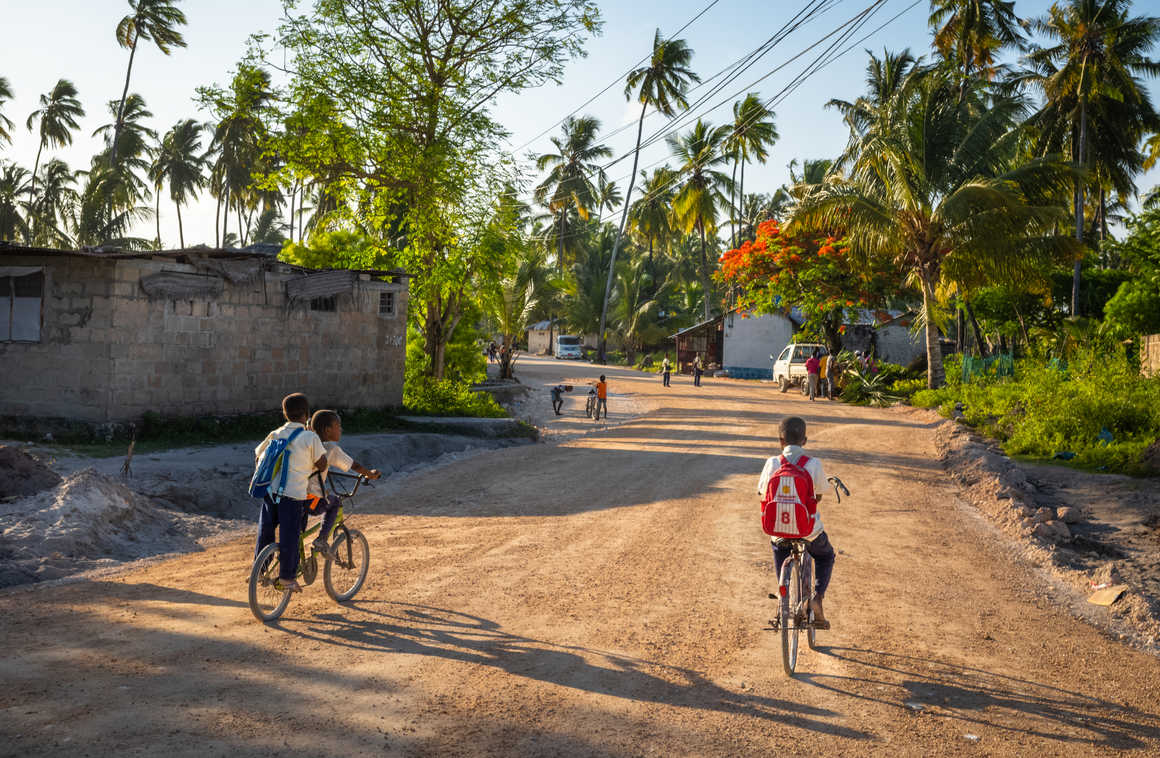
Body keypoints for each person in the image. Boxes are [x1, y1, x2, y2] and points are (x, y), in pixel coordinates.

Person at [756, 416, 836, 629]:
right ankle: (817, 597)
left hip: (778, 530)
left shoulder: (772, 463)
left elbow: (762, 494)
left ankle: (783, 593)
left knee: (777, 545)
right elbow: (818, 496)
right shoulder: (813, 464)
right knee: (826, 555)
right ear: (805, 440)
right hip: (808, 531)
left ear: (780, 440)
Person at [254, 393, 328, 594]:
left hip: (270, 493)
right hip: (293, 495)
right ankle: (286, 577)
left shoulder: (276, 433)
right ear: (307, 415)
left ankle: (260, 570)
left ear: (285, 414)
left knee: (266, 531)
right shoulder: (309, 437)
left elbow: (258, 453)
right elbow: (322, 464)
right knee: (290, 535)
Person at [307, 410, 381, 554]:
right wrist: (370, 474)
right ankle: (321, 539)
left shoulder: (307, 443)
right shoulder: (331, 448)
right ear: (328, 430)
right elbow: (355, 466)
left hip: (294, 495)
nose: (341, 429)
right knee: (334, 502)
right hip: (311, 500)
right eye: (338, 426)